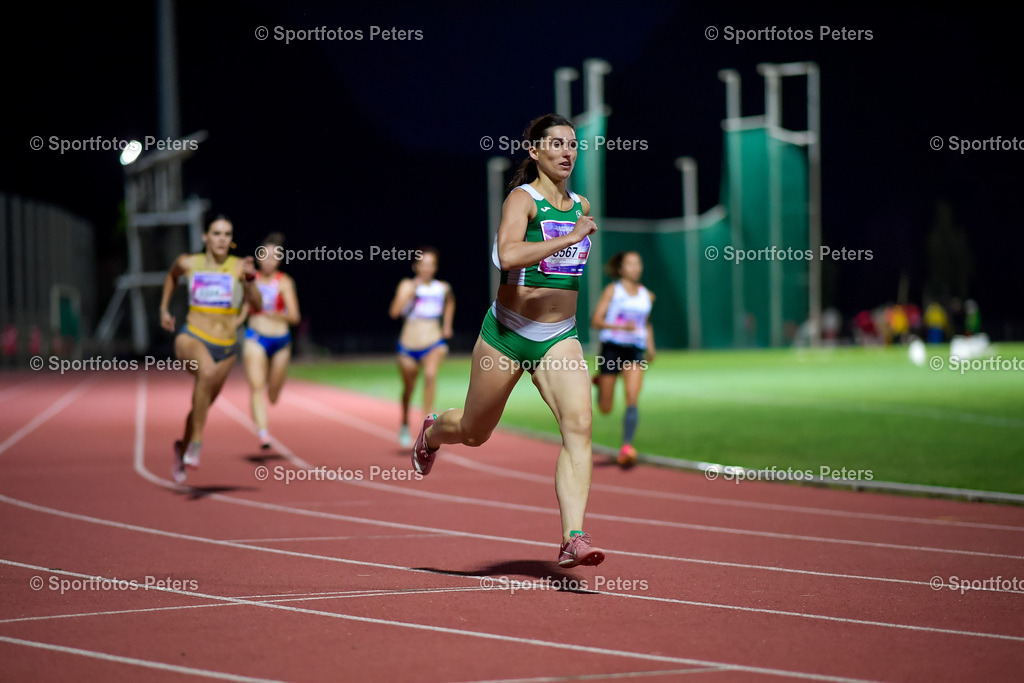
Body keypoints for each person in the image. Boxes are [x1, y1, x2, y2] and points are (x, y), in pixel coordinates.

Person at [412, 113, 604, 568]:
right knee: (474, 432)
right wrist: (570, 238)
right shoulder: (523, 200)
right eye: (556, 143)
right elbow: (508, 254)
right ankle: (433, 431)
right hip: (507, 334)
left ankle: (572, 537)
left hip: (559, 336)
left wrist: (573, 235)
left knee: (579, 424)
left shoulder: (581, 204)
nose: (566, 152)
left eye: (572, 144)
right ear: (534, 151)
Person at [159, 216, 262, 483]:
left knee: (201, 406)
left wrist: (250, 280)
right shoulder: (188, 262)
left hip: (226, 348)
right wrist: (164, 308)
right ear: (205, 237)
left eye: (227, 234)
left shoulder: (239, 266)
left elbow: (258, 305)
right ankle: (196, 443)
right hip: (192, 337)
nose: (222, 239)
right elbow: (171, 276)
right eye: (216, 233)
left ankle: (182, 448)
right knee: (205, 371)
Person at [591, 251, 655, 467]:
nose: (635, 268)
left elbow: (646, 322)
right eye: (630, 264)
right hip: (612, 348)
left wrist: (651, 346)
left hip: (635, 350)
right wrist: (619, 326)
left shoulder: (647, 295)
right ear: (621, 268)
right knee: (605, 408)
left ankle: (627, 447)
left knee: (632, 396)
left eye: (638, 263)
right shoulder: (613, 290)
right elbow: (595, 320)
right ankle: (601, 382)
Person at [388, 248, 454, 448]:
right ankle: (404, 422)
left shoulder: (442, 287)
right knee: (409, 388)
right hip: (408, 345)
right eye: (423, 264)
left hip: (433, 341)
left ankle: (427, 426)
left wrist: (447, 325)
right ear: (415, 266)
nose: (427, 268)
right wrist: (410, 294)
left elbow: (450, 302)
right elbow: (394, 312)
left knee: (431, 375)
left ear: (435, 267)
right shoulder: (407, 285)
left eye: (430, 264)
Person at [241, 233, 301, 450]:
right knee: (256, 386)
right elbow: (242, 308)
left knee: (273, 394)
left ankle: (271, 396)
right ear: (258, 257)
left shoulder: (284, 282)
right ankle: (263, 433)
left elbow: (295, 317)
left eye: (274, 256)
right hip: (256, 337)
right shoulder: (249, 279)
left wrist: (275, 314)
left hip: (281, 340)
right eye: (264, 255)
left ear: (280, 260)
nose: (268, 260)